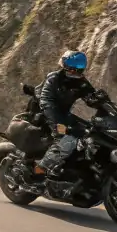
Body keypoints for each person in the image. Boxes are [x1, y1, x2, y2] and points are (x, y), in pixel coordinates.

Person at [36, 49, 102, 178]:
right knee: (63, 138)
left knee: (88, 132)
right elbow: (46, 99)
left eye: (79, 68)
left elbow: (92, 98)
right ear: (65, 66)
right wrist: (57, 122)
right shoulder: (54, 78)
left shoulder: (81, 82)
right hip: (48, 112)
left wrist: (103, 101)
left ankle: (72, 166)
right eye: (72, 67)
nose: (75, 70)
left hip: (65, 114)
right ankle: (40, 169)